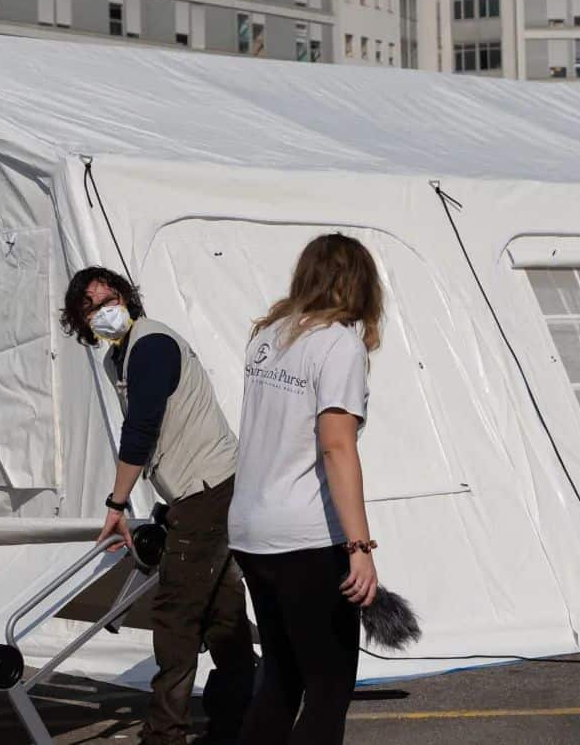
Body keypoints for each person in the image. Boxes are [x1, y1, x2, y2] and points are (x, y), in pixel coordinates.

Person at [60, 267, 255, 745]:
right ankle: (242, 715)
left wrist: (117, 503)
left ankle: (165, 732)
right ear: (81, 324)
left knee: (174, 612)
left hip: (207, 488)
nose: (104, 308)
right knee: (221, 610)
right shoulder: (119, 359)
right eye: (91, 306)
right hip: (205, 487)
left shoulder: (149, 345)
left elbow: (142, 429)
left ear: (127, 298)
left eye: (110, 297)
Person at [229, 233, 383, 745]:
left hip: (251, 528)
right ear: (360, 284)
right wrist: (360, 547)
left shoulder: (269, 335)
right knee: (328, 687)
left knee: (280, 676)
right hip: (305, 537)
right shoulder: (339, 344)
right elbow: (337, 446)